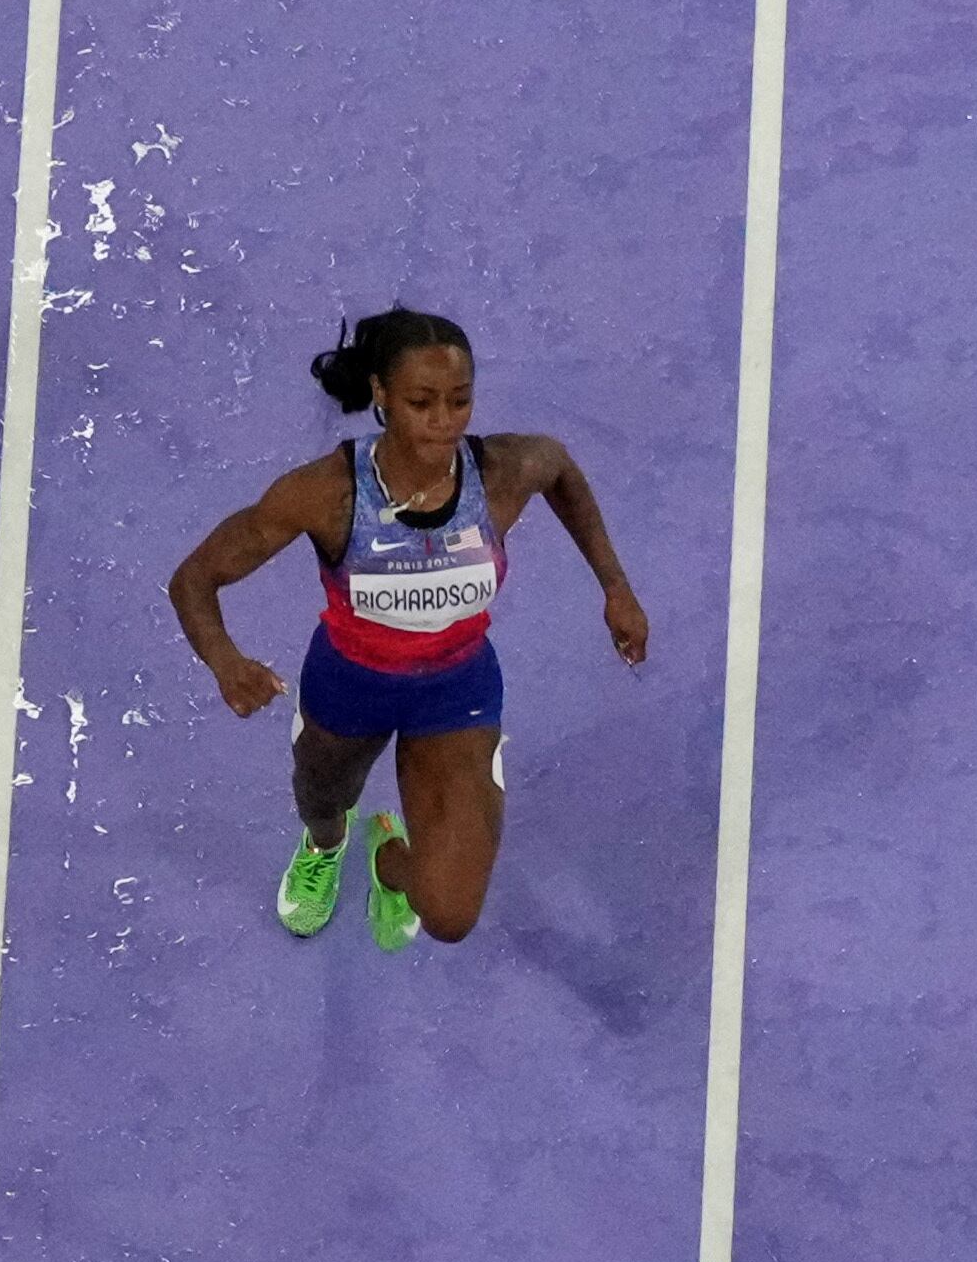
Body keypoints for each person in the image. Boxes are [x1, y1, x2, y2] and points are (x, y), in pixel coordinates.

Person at [164, 309, 648, 949]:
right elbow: (193, 580)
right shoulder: (326, 494)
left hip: (455, 692)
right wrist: (227, 663)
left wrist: (615, 586)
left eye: (460, 401)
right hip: (349, 687)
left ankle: (388, 863)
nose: (443, 422)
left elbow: (561, 472)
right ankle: (326, 847)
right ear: (381, 395)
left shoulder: (501, 472)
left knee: (449, 915)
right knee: (323, 804)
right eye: (422, 402)